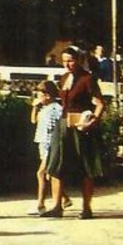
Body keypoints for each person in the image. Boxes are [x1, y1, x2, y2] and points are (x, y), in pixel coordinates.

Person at [43, 45, 105, 219]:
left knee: (84, 167)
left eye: (70, 60)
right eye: (64, 61)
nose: (67, 64)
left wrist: (92, 121)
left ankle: (86, 208)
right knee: (56, 164)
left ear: (78, 60)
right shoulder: (63, 78)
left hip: (81, 127)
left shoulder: (87, 79)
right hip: (63, 124)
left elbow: (99, 104)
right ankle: (57, 206)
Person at [28, 79, 63, 215]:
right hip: (42, 143)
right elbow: (33, 120)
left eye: (40, 95)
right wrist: (35, 107)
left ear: (47, 95)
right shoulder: (44, 109)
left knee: (41, 173)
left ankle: (40, 204)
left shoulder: (55, 109)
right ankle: (64, 199)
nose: (38, 98)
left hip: (50, 144)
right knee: (49, 174)